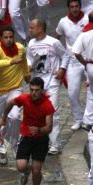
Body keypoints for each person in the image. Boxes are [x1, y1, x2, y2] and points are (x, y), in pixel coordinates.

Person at [0, 25, 29, 165]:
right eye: (6, 37)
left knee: (15, 116)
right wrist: (10, 61)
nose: (9, 40)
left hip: (15, 88)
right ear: (1, 39)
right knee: (1, 122)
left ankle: (16, 143)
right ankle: (2, 146)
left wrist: (27, 74)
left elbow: (23, 62)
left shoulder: (20, 48)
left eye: (11, 37)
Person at [26, 19, 66, 154]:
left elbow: (65, 55)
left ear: (40, 29)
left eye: (32, 27)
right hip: (38, 83)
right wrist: (28, 67)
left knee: (52, 112)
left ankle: (55, 144)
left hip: (52, 82)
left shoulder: (53, 42)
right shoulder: (31, 44)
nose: (30, 30)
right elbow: (29, 59)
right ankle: (40, 139)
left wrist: (62, 69)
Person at [56, 0, 88, 130]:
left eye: (77, 6)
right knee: (72, 92)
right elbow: (57, 37)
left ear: (80, 6)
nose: (75, 9)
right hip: (73, 61)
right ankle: (78, 118)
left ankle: (90, 118)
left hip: (87, 59)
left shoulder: (87, 19)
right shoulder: (63, 22)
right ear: (68, 8)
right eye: (72, 7)